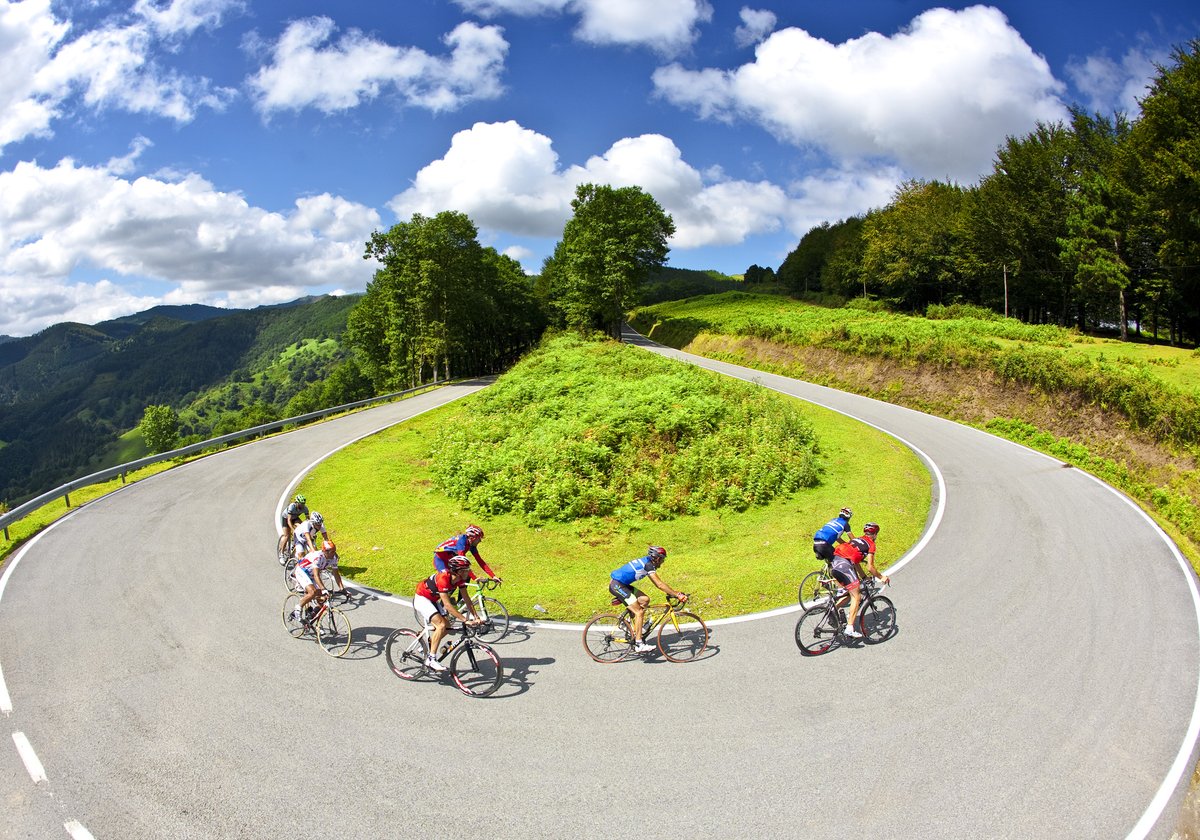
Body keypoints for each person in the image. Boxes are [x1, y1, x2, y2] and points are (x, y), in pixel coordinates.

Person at [609, 546, 688, 654]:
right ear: (657, 558)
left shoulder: (648, 562)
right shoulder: (648, 565)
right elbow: (659, 584)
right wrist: (677, 594)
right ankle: (639, 644)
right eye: (662, 559)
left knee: (645, 600)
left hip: (623, 585)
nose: (662, 562)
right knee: (639, 612)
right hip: (617, 586)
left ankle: (633, 627)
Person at [412, 555, 480, 671]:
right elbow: (448, 606)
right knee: (441, 625)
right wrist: (465, 620)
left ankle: (428, 645)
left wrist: (476, 616)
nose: (468, 572)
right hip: (422, 598)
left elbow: (467, 599)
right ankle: (431, 660)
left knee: (448, 626)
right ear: (457, 571)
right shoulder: (443, 579)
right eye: (465, 570)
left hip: (432, 599)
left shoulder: (459, 580)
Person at [830, 522, 888, 639]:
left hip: (835, 563)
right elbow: (870, 567)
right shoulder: (871, 544)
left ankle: (832, 611)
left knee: (850, 593)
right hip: (844, 565)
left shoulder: (857, 540)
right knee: (857, 597)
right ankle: (850, 628)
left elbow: (855, 562)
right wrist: (881, 577)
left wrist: (864, 577)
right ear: (875, 534)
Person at [290, 539, 341, 623]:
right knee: (312, 591)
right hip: (302, 571)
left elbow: (336, 574)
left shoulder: (333, 557)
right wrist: (323, 589)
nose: (334, 553)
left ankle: (311, 618)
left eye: (334, 550)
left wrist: (343, 589)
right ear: (325, 552)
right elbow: (316, 575)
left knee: (324, 599)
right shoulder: (318, 557)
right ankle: (297, 609)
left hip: (312, 575)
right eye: (332, 551)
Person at [433, 525, 498, 580]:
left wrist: (493, 576)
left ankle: (462, 595)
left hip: (451, 560)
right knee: (447, 578)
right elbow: (462, 562)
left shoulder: (471, 545)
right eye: (479, 538)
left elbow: (480, 561)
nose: (480, 541)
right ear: (472, 538)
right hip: (441, 560)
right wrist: (475, 578)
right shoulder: (461, 541)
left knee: (465, 576)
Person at [278, 494, 309, 563]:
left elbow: (308, 521)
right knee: (287, 536)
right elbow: (289, 521)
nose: (302, 505)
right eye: (301, 504)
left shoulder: (305, 508)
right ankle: (281, 554)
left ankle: (294, 541)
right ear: (296, 502)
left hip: (295, 518)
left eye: (303, 504)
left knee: (302, 527)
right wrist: (293, 530)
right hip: (286, 518)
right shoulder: (292, 506)